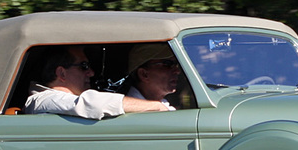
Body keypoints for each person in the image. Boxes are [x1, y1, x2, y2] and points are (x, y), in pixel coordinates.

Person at [23, 45, 173, 118]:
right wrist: (156, 107)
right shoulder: (41, 101)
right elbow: (93, 104)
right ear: (61, 73)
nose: (91, 72)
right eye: (84, 66)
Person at [124, 43, 182, 110]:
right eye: (167, 64)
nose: (177, 71)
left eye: (176, 64)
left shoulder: (165, 106)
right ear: (144, 74)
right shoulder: (124, 114)